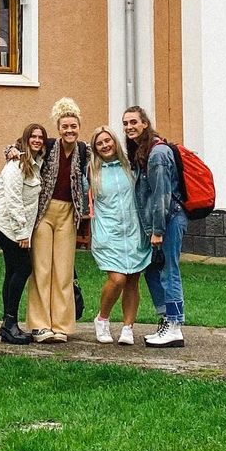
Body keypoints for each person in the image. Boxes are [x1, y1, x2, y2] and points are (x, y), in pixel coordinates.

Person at [25, 97, 89, 343]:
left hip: (69, 215)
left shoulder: (84, 150)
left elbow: (107, 155)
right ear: (58, 127)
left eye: (73, 126)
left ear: (78, 127)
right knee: (42, 269)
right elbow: (21, 148)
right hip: (44, 214)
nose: (69, 130)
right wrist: (9, 151)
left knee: (63, 271)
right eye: (65, 126)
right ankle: (40, 325)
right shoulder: (48, 146)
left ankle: (62, 325)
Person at [122, 105, 187, 348]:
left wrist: (158, 231)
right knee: (152, 270)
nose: (129, 127)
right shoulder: (144, 151)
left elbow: (162, 196)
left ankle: (174, 325)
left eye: (133, 122)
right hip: (160, 223)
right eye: (126, 123)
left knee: (169, 271)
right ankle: (165, 319)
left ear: (145, 124)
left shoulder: (158, 154)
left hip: (169, 220)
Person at [86, 125, 150, 345]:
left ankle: (128, 328)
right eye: (100, 143)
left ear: (114, 141)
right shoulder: (92, 171)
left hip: (134, 232)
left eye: (108, 141)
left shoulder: (130, 166)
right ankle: (102, 319)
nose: (105, 146)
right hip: (109, 233)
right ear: (95, 148)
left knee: (132, 279)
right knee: (117, 279)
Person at [0, 122, 47, 344]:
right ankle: (9, 323)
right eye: (33, 136)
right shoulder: (17, 164)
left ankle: (8, 324)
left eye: (41, 137)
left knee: (13, 269)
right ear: (26, 138)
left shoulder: (36, 163)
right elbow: (13, 199)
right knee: (23, 267)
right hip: (6, 224)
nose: (37, 140)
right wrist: (22, 232)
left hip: (14, 226)